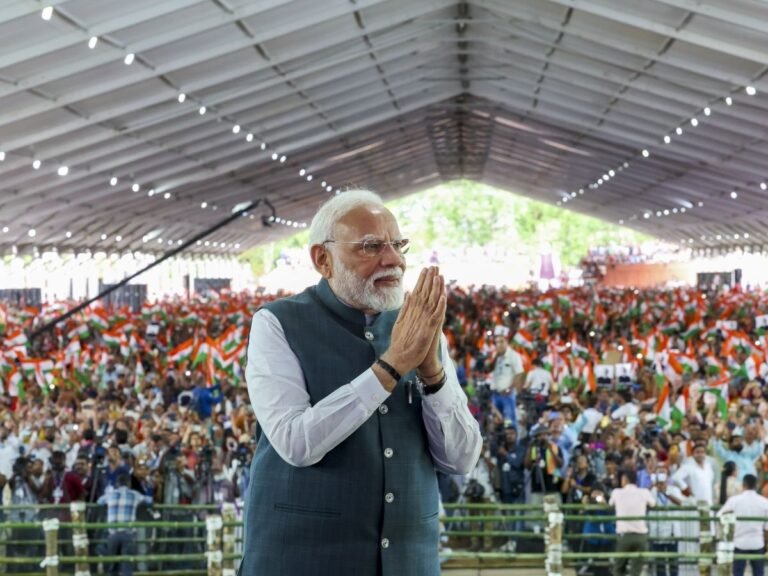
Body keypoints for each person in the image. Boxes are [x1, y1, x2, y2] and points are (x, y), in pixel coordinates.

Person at [242, 190, 482, 576]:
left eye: (397, 244)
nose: (394, 260)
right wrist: (391, 366)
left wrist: (432, 374)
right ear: (324, 260)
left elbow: (461, 459)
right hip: (304, 562)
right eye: (371, 247)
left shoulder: (418, 327)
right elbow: (295, 442)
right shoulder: (277, 323)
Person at [98, 473, 153, 576]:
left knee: (112, 567)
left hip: (113, 534)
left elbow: (99, 502)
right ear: (129, 484)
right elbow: (150, 501)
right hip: (128, 534)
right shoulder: (134, 494)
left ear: (117, 484)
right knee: (127, 567)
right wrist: (150, 487)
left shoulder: (110, 495)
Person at [717, 474, 768, 576]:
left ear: (743, 485)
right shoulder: (764, 502)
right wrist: (766, 544)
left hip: (739, 543)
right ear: (756, 485)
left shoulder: (734, 500)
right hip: (757, 543)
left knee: (738, 573)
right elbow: (767, 528)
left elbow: (720, 515)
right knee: (759, 573)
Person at [609, 468, 655, 576]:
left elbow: (610, 503)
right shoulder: (644, 492)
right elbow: (653, 504)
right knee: (636, 571)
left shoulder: (617, 492)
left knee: (618, 569)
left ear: (624, 479)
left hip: (624, 536)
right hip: (641, 536)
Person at [490, 325, 524, 429]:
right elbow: (489, 369)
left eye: (501, 341)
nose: (499, 345)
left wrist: (511, 388)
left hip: (507, 395)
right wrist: (495, 357)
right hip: (495, 394)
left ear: (507, 342)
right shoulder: (496, 356)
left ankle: (512, 444)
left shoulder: (514, 355)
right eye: (497, 342)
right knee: (495, 423)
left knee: (509, 424)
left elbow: (519, 374)